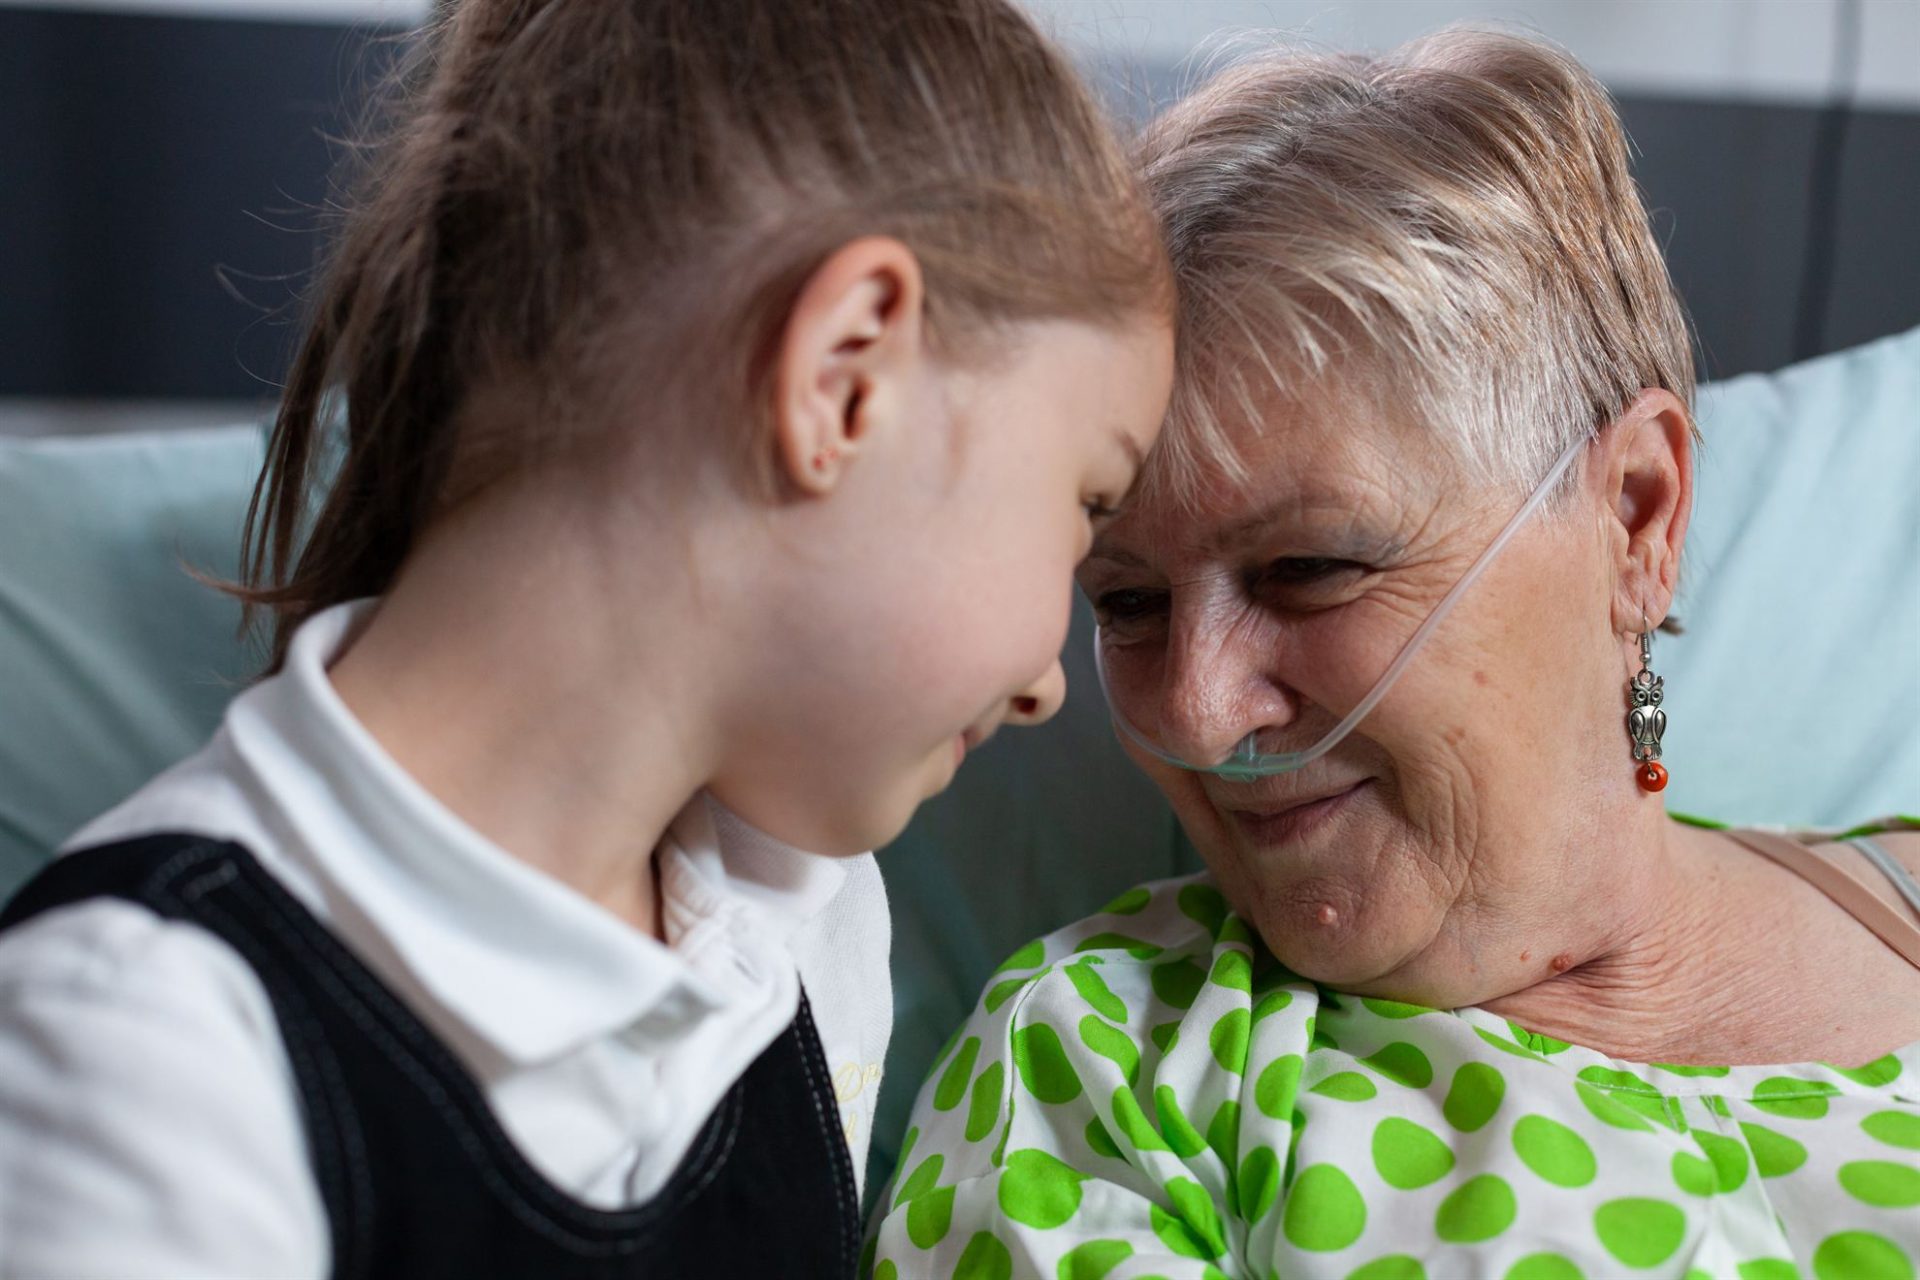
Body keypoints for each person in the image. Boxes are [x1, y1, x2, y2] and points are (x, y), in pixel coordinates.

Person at [0, 2, 1173, 1275]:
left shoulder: (802, 929)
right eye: (1085, 508)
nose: (1056, 683)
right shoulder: (147, 1039)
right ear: (843, 378)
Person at [869, 29, 1919, 1279]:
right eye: (1131, 602)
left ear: (1637, 513)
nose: (1198, 715)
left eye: (1308, 568)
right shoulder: (1099, 1069)